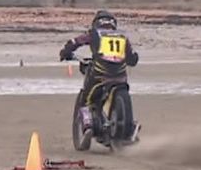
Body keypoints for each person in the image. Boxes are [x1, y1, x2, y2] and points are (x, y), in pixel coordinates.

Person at [58, 10, 140, 140]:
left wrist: (65, 52)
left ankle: (88, 125)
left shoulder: (94, 34)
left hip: (100, 75)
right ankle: (130, 130)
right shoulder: (122, 37)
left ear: (96, 23)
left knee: (86, 99)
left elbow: (75, 42)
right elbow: (133, 59)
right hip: (120, 78)